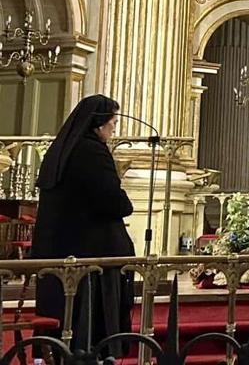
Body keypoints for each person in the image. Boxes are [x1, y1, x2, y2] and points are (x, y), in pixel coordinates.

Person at [31, 95, 135, 355]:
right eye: (113, 123)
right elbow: (113, 200)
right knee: (88, 327)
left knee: (66, 317)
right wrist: (125, 205)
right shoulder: (93, 151)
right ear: (98, 125)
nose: (113, 129)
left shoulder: (63, 150)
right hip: (92, 256)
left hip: (60, 250)